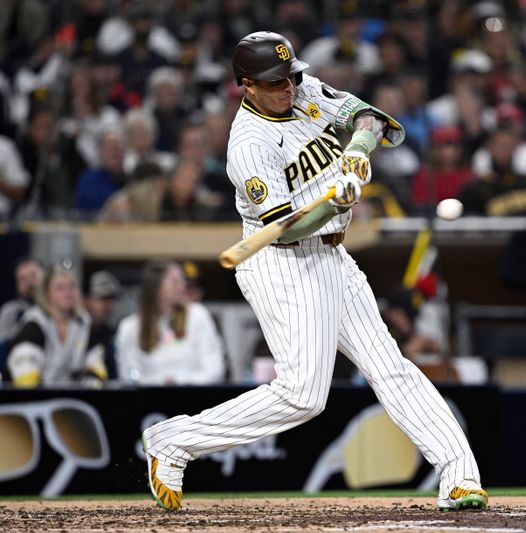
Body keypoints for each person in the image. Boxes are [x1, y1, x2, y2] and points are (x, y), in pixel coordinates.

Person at [141, 31, 488, 513]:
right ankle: (173, 440)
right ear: (247, 85)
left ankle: (459, 477)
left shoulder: (302, 91)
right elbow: (282, 231)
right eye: (275, 81)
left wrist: (358, 150)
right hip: (282, 261)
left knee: (389, 366)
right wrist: (335, 204)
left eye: (290, 75)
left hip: (331, 254)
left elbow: (371, 118)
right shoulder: (249, 146)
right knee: (304, 395)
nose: (288, 86)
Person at [115, 260, 224, 386]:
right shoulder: (129, 327)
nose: (183, 286)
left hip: (194, 397)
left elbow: (214, 370)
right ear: (156, 288)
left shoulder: (198, 315)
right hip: (147, 401)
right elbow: (129, 376)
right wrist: (161, 383)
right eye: (175, 282)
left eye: (182, 281)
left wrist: (178, 382)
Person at [5, 264, 107, 387]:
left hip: (73, 398)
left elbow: (96, 369)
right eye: (60, 288)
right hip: (33, 399)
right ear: (47, 292)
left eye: (72, 287)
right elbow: (25, 379)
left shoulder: (84, 323)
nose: (67, 293)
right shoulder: (33, 324)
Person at [84, 270, 122, 381]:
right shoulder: (77, 332)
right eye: (102, 299)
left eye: (111, 300)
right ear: (86, 300)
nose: (107, 305)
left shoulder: (114, 334)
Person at [0, 257, 44, 346]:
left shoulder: (57, 309)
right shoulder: (10, 311)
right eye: (23, 279)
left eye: (33, 275)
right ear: (17, 285)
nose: (29, 282)